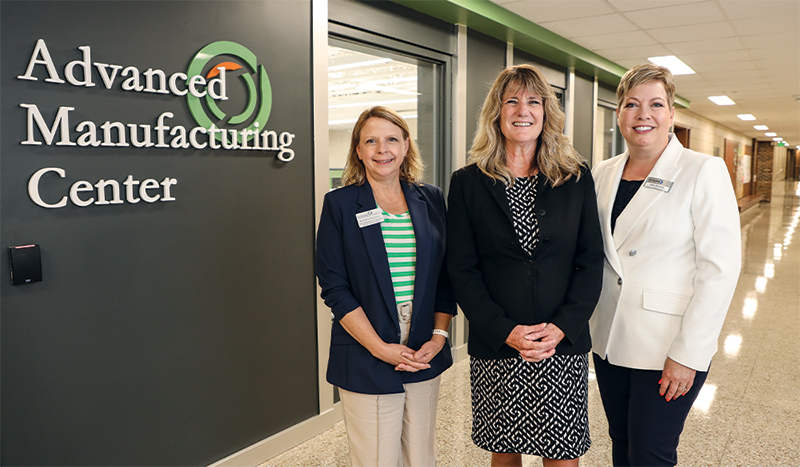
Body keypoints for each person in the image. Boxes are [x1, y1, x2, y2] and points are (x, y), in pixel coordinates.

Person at [446, 64, 604, 467]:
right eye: (511, 100)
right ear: (496, 113)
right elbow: (462, 269)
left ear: (546, 112)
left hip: (561, 344)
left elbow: (590, 260)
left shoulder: (574, 177)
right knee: (505, 450)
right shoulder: (468, 182)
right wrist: (506, 332)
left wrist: (562, 327)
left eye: (534, 101)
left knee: (564, 453)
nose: (523, 110)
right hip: (499, 343)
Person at [590, 64, 742, 467]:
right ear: (619, 113)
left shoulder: (702, 170)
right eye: (632, 104)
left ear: (671, 113)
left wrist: (689, 354)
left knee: (651, 453)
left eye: (656, 104)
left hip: (666, 346)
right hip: (608, 339)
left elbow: (720, 269)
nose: (644, 115)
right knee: (621, 441)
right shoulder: (602, 173)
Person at [316, 106, 456, 467]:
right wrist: (380, 348)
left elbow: (445, 275)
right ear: (358, 150)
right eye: (371, 141)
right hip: (366, 347)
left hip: (423, 347)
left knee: (421, 456)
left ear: (406, 146)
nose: (383, 149)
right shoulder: (341, 204)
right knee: (377, 459)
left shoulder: (430, 199)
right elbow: (334, 286)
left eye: (392, 139)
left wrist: (439, 337)